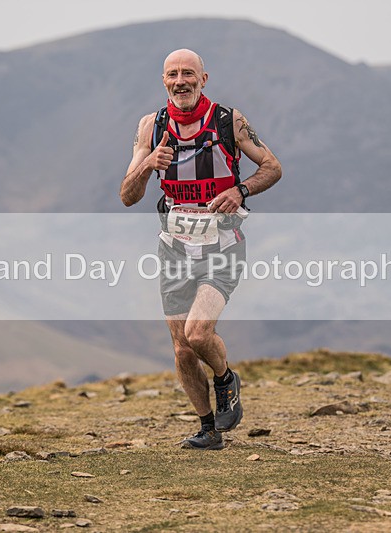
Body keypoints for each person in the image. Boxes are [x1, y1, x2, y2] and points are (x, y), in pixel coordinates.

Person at [120, 49, 282, 449]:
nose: (181, 81)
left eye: (188, 74)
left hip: (222, 245)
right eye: (173, 74)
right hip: (174, 247)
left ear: (203, 79)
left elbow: (273, 167)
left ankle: (226, 378)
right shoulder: (151, 127)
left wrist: (240, 190)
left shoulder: (229, 120)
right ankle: (208, 428)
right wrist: (146, 165)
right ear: (164, 81)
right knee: (181, 349)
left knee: (196, 333)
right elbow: (127, 195)